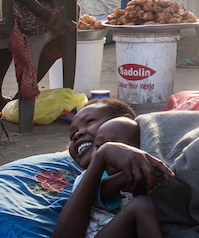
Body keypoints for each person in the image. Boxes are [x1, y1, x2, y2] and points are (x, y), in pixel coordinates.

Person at [54, 99, 173, 238]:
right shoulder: (88, 177)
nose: (77, 134)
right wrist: (105, 160)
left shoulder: (153, 155)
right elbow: (102, 190)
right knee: (141, 205)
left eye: (90, 121)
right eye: (72, 134)